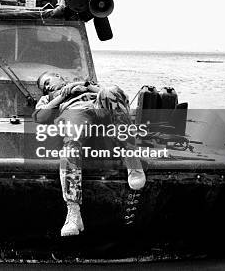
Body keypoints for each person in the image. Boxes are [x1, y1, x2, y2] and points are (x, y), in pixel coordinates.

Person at [34, 72, 146, 236]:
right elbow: (39, 116)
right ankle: (73, 212)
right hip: (75, 112)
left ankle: (133, 163)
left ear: (59, 76)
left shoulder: (86, 84)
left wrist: (85, 86)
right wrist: (62, 95)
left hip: (98, 107)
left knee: (112, 90)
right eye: (45, 87)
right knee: (72, 139)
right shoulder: (49, 98)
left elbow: (120, 97)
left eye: (48, 81)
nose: (48, 86)